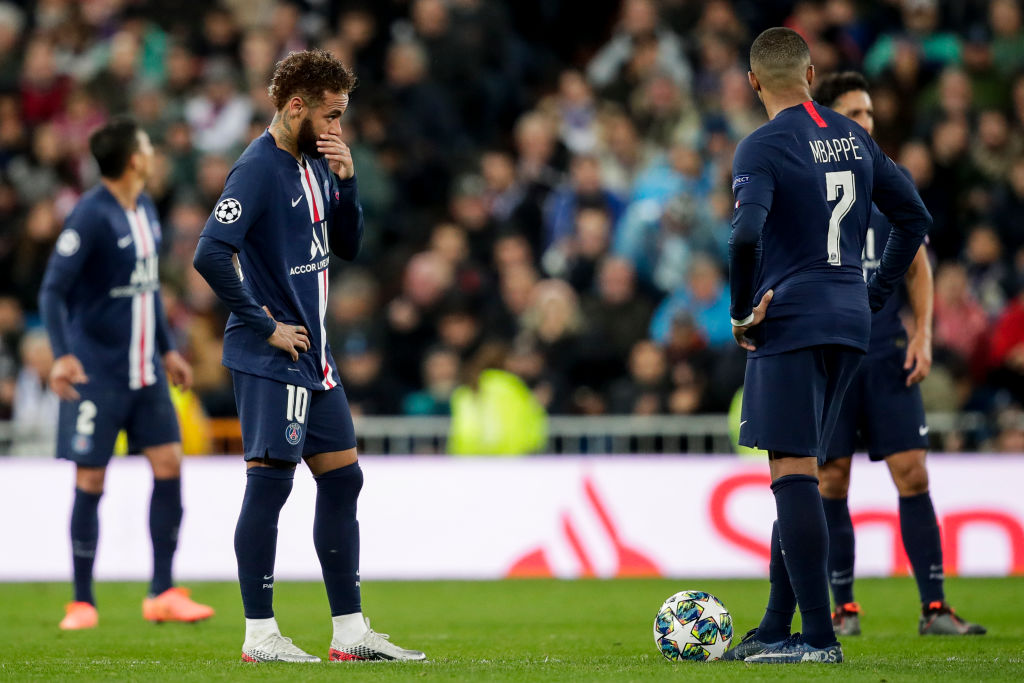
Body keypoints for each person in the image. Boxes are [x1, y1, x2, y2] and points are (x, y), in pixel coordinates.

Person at [192, 49, 425, 664]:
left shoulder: (316, 164)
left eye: (342, 116)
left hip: (314, 359)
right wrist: (261, 322)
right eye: (331, 115)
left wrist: (347, 185)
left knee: (344, 479)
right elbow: (210, 253)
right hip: (272, 356)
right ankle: (259, 635)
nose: (337, 128)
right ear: (296, 106)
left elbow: (345, 245)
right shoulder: (257, 168)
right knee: (269, 488)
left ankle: (350, 634)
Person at [721, 28, 931, 663]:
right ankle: (775, 626)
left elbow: (744, 236)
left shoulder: (761, 146)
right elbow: (915, 217)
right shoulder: (854, 136)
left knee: (790, 471)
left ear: (754, 82)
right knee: (806, 473)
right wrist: (872, 292)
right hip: (850, 321)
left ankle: (816, 640)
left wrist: (740, 311)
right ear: (810, 73)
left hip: (791, 318)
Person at [815, 71, 986, 637]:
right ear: (831, 120)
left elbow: (917, 264)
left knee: (912, 474)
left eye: (869, 113)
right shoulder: (809, 183)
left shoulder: (890, 180)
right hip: (830, 354)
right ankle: (844, 608)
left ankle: (934, 608)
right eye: (854, 114)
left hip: (887, 351)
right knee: (830, 481)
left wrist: (923, 334)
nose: (866, 123)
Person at [39, 116, 214, 630]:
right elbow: (52, 290)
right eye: (146, 147)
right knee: (91, 476)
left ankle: (162, 590)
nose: (153, 154)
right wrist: (62, 353)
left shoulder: (145, 211)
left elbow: (150, 287)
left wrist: (166, 349)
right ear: (134, 159)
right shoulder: (90, 216)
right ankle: (82, 601)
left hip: (146, 374)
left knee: (169, 463)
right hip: (99, 373)